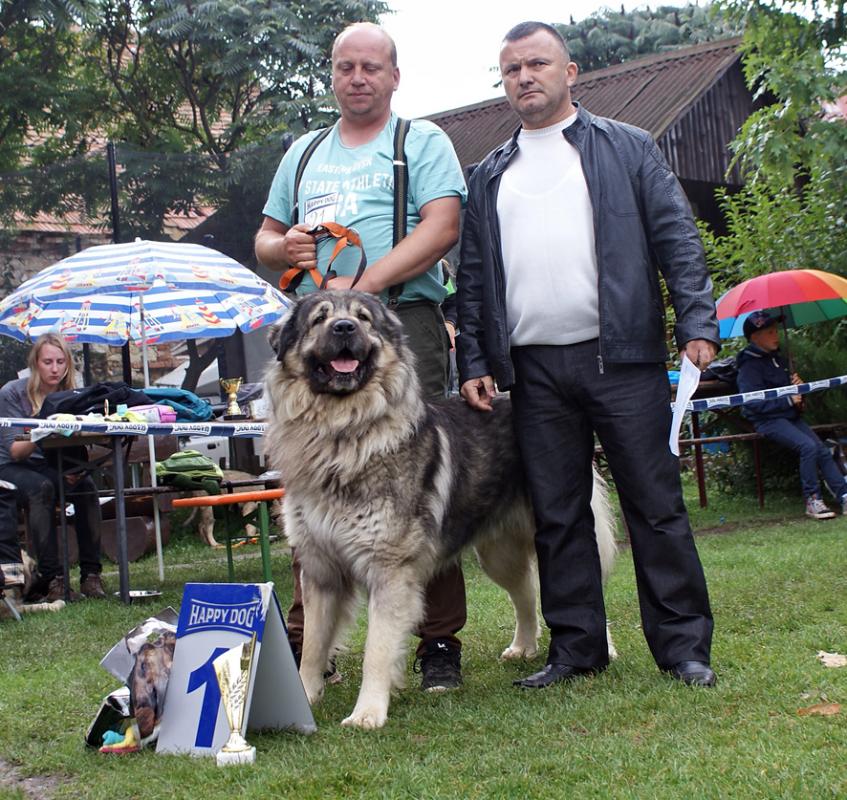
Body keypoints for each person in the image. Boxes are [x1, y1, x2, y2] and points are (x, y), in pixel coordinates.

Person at [457, 21, 720, 689]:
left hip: (623, 358)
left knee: (654, 505)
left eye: (537, 63)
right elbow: (474, 275)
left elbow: (676, 238)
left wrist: (697, 320)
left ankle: (683, 648)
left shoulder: (627, 147)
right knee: (556, 512)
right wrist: (474, 362)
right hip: (533, 368)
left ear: (569, 72)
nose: (524, 76)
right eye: (511, 68)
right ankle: (575, 650)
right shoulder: (488, 174)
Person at [255, 22, 468, 691]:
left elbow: (442, 226)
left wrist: (363, 295)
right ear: (332, 75)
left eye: (371, 67)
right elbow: (264, 239)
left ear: (394, 76)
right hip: (318, 333)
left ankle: (437, 644)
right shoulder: (305, 151)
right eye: (345, 67)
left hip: (398, 321)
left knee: (423, 489)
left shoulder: (420, 142)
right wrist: (283, 247)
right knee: (314, 498)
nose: (357, 78)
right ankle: (308, 650)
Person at [0, 333, 106, 601]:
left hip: (52, 465)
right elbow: (16, 450)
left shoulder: (71, 395)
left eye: (61, 362)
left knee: (87, 488)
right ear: (35, 363)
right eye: (48, 361)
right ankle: (53, 579)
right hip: (12, 466)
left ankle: (91, 576)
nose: (55, 368)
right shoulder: (13, 393)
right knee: (42, 488)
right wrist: (42, 425)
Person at [736, 310, 847, 520]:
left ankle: (843, 494)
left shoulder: (779, 360)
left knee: (821, 450)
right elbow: (752, 404)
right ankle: (812, 500)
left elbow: (796, 402)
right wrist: (788, 399)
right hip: (767, 421)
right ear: (754, 338)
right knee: (808, 447)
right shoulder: (749, 366)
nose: (775, 335)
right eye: (769, 332)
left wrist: (798, 390)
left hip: (789, 417)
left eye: (775, 330)